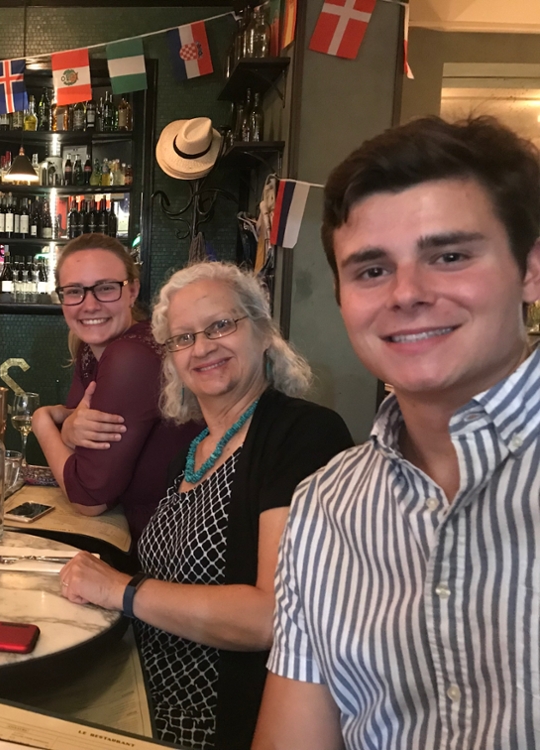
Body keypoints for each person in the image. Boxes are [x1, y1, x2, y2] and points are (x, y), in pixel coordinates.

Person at [253, 117, 540, 750]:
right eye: (372, 270)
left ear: (531, 271)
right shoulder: (325, 505)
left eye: (450, 256)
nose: (407, 294)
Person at [60, 261, 352, 749]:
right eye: (182, 338)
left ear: (262, 331)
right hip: (138, 697)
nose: (202, 347)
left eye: (221, 325)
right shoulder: (192, 453)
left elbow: (271, 617)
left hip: (214, 724)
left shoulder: (303, 436)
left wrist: (121, 590)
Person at [31, 233, 201, 543]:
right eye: (74, 291)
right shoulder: (89, 349)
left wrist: (43, 422)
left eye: (106, 288)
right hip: (123, 534)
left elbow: (88, 498)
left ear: (132, 291)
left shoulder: (131, 358)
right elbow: (87, 449)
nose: (90, 305)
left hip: (161, 551)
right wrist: (69, 424)